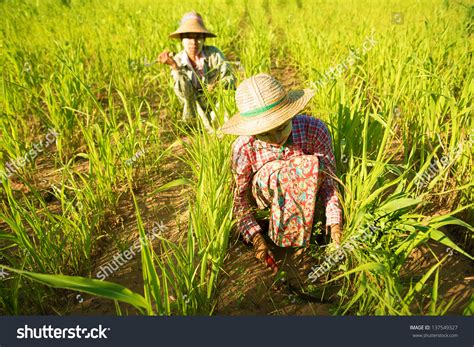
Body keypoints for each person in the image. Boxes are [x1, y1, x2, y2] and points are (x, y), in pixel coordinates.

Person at [220, 73, 343, 281]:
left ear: (291, 115)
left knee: (303, 165)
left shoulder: (315, 130)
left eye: (280, 128)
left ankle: (305, 236)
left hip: (310, 195)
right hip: (266, 201)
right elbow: (239, 199)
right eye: (265, 134)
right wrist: (257, 239)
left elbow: (329, 181)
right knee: (287, 169)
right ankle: (285, 239)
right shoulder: (243, 147)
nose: (276, 139)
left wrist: (335, 225)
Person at [159, 12, 236, 132]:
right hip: (195, 109)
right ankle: (201, 127)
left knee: (227, 103)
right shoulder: (178, 61)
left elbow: (230, 78)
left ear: (204, 39)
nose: (193, 42)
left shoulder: (214, 54)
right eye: (189, 37)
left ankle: (222, 127)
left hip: (217, 105)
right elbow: (184, 94)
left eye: (198, 37)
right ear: (182, 39)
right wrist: (175, 67)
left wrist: (217, 85)